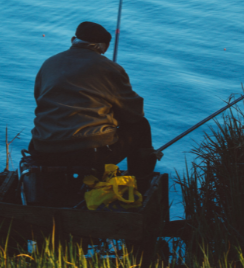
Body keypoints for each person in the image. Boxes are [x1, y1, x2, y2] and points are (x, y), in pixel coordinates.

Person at [27, 21, 156, 187]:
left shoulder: (49, 64)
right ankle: (141, 183)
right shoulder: (110, 68)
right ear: (104, 47)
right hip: (90, 154)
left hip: (43, 150)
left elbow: (40, 100)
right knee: (141, 126)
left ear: (73, 39)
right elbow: (134, 114)